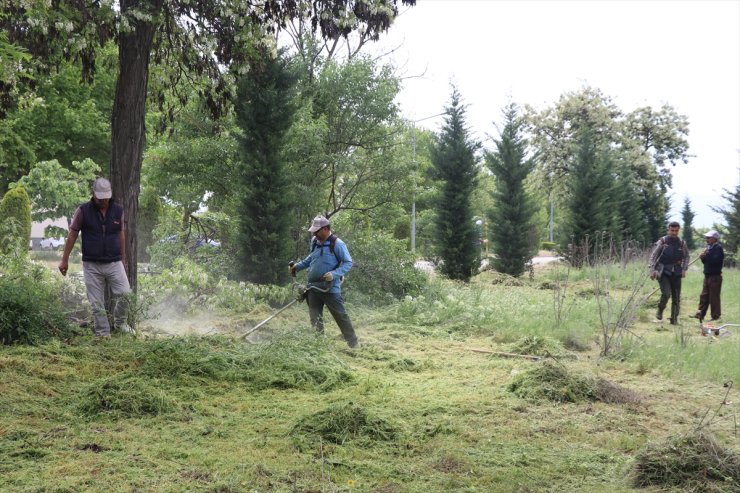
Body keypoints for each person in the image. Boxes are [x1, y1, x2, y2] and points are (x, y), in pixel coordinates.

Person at [58, 177, 131, 338]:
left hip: (114, 261)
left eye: (106, 198)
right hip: (91, 264)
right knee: (97, 303)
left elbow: (121, 235)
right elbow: (72, 235)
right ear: (93, 194)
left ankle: (120, 323)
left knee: (125, 294)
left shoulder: (118, 210)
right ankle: (103, 334)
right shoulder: (83, 211)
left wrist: (123, 260)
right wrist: (64, 259)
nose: (103, 201)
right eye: (100, 198)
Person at [291, 215, 359, 348]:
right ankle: (319, 345)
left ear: (326, 229)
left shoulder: (337, 244)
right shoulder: (315, 242)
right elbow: (311, 259)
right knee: (315, 318)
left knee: (340, 316)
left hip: (330, 288)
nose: (314, 233)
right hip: (313, 288)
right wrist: (297, 267)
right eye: (314, 231)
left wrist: (334, 274)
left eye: (317, 231)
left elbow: (348, 263)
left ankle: (353, 344)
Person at [648, 221, 690, 325]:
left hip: (676, 272)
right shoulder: (662, 241)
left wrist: (684, 269)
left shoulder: (682, 243)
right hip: (662, 271)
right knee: (666, 294)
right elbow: (653, 256)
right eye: (672, 230)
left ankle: (674, 319)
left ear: (678, 230)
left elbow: (686, 256)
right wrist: (652, 270)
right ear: (668, 230)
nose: (674, 233)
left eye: (676, 231)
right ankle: (660, 309)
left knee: (676, 297)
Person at [690, 230, 724, 322]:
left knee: (714, 297)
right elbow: (706, 262)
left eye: (709, 237)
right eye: (706, 237)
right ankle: (700, 314)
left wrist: (706, 255)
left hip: (715, 277)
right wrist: (703, 258)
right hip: (707, 276)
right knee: (704, 296)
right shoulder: (709, 247)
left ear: (715, 239)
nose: (706, 239)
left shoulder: (718, 248)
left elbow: (715, 261)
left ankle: (716, 316)